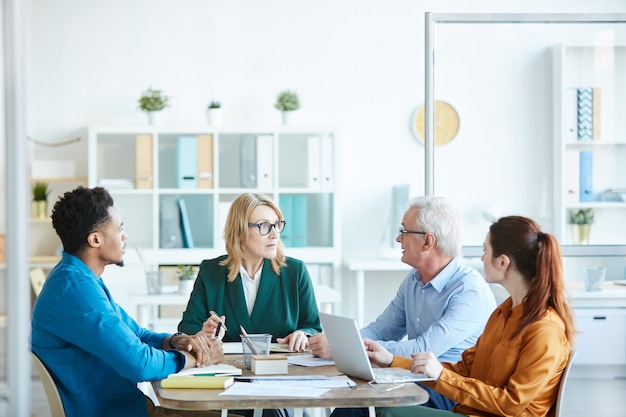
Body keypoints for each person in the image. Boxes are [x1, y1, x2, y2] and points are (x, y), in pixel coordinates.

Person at [31, 186, 225, 417]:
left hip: (126, 407)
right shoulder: (75, 291)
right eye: (119, 229)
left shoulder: (80, 280)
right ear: (95, 239)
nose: (125, 236)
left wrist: (178, 341)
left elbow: (138, 335)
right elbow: (140, 365)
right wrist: (193, 358)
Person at [368, 215, 576, 417]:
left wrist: (440, 375)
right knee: (375, 404)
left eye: (486, 251)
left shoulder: (545, 329)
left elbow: (510, 404)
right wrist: (391, 361)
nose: (482, 258)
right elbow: (466, 368)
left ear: (503, 262)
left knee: (384, 410)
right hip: (469, 411)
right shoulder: (503, 313)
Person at [309, 195, 497, 410]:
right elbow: (383, 329)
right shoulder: (414, 278)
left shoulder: (469, 291)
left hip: (450, 389)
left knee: (363, 400)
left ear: (428, 241)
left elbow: (422, 349)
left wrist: (347, 350)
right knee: (349, 388)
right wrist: (343, 343)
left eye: (404, 231)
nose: (398, 239)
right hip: (413, 376)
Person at [177, 192, 322, 417]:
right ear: (240, 232)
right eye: (264, 226)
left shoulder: (295, 272)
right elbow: (186, 328)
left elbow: (313, 326)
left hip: (280, 383)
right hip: (228, 383)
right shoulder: (211, 272)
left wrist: (303, 333)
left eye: (277, 225)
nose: (274, 234)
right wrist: (203, 332)